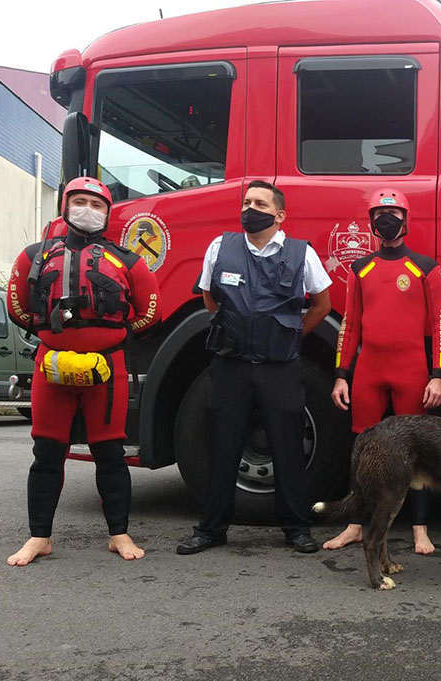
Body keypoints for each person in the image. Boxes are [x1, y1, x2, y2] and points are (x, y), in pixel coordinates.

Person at [6, 177, 161, 566]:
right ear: (65, 205)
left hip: (107, 369)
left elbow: (149, 312)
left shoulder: (128, 261)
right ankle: (39, 537)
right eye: (79, 201)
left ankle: (119, 534)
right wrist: (54, 336)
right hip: (51, 367)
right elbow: (18, 308)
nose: (87, 210)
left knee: (110, 453)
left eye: (96, 204)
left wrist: (108, 338)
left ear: (107, 213)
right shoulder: (33, 257)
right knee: (47, 453)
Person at [177, 180, 332, 555]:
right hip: (231, 365)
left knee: (288, 448)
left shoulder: (301, 254)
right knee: (223, 446)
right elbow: (209, 297)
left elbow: (322, 305)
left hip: (279, 368)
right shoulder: (221, 247)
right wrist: (234, 331)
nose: (250, 208)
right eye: (247, 202)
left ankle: (296, 528)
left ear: (279, 215)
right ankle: (211, 529)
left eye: (260, 204)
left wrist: (290, 337)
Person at [325, 188, 441, 555]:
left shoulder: (425, 267)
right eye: (380, 214)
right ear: (371, 222)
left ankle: (420, 529)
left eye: (393, 214)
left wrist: (438, 374)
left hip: (411, 369)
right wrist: (341, 374)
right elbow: (350, 325)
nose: (387, 220)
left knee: (417, 451)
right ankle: (355, 525)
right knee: (362, 447)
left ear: (406, 219)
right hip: (369, 369)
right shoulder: (360, 268)